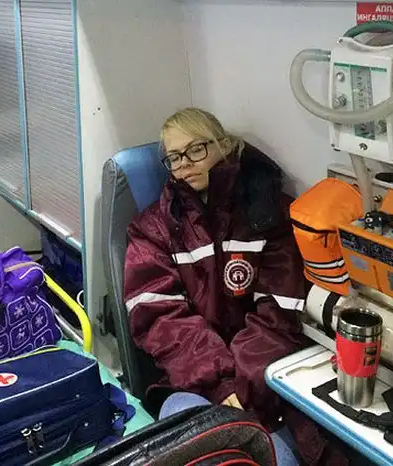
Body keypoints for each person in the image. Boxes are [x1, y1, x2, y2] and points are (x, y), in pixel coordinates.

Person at [123, 108, 348, 465]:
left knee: (280, 458)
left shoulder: (269, 214)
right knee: (204, 447)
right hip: (192, 381)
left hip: (263, 381)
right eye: (175, 157)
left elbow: (278, 312)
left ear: (224, 145)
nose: (185, 164)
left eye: (196, 149)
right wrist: (220, 382)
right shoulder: (153, 229)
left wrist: (243, 386)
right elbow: (161, 319)